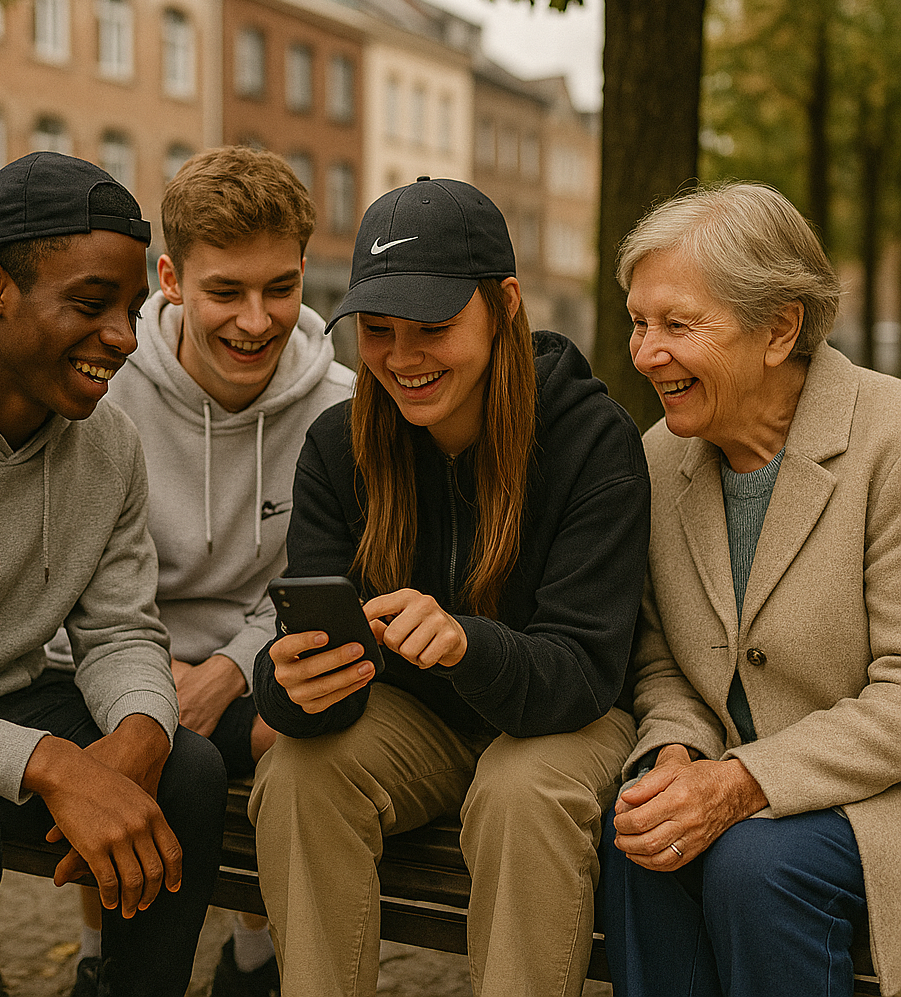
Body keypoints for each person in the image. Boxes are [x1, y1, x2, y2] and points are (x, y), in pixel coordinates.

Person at [248, 176, 651, 997]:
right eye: (379, 331)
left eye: (433, 327)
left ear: (504, 306)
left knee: (521, 791)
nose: (402, 359)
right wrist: (288, 684)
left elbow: (585, 671)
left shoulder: (591, 440)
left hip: (568, 716)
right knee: (296, 774)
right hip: (418, 720)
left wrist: (467, 642)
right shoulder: (337, 447)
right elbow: (310, 661)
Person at [0, 151, 226, 997]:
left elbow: (121, 630)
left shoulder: (107, 444)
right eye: (90, 303)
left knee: (186, 769)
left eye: (131, 309)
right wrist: (57, 767)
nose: (124, 337)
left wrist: (141, 732)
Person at [597, 181, 901, 997]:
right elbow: (663, 662)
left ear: (779, 330)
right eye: (638, 323)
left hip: (880, 794)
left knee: (755, 863)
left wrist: (739, 783)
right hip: (742, 789)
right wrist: (676, 755)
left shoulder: (890, 440)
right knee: (644, 838)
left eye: (678, 325)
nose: (645, 354)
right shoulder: (658, 458)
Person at [65, 145, 351, 996]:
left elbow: (321, 579)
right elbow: (70, 581)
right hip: (110, 654)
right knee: (121, 745)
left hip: (254, 663)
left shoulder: (340, 409)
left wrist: (227, 672)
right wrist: (149, 682)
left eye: (281, 288)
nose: (256, 321)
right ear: (172, 280)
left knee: (298, 734)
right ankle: (96, 959)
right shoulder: (101, 392)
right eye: (226, 291)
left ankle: (253, 953)